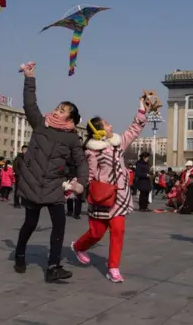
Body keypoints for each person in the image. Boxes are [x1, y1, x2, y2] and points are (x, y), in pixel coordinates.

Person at [14, 62, 88, 283]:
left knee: (59, 224)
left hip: (55, 186)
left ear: (71, 119)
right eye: (58, 107)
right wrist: (29, 77)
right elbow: (30, 103)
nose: (57, 111)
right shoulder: (40, 124)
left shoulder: (73, 138)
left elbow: (81, 162)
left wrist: (81, 183)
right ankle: (19, 254)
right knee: (30, 223)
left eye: (63, 111)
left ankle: (53, 266)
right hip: (34, 182)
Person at [71, 96, 148, 282]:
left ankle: (113, 267)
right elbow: (89, 174)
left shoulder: (118, 144)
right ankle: (78, 247)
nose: (110, 125)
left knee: (118, 230)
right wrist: (75, 187)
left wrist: (142, 110)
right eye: (106, 124)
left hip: (119, 195)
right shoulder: (92, 151)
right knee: (96, 233)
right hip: (102, 198)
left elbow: (134, 130)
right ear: (98, 130)